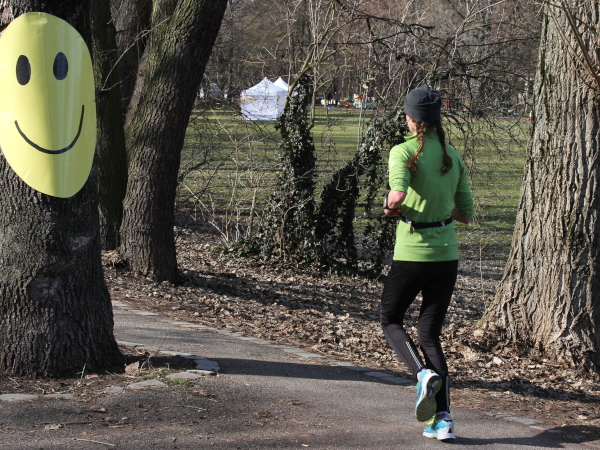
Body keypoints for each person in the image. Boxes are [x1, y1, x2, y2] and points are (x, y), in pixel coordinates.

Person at [381, 86, 473, 441]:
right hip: (446, 256)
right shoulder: (453, 156)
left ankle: (422, 375)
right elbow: (466, 212)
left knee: (390, 319)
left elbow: (397, 195)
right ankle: (444, 420)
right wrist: (439, 205)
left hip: (412, 254)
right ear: (436, 120)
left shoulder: (403, 152)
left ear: (409, 118)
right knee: (429, 333)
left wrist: (390, 208)